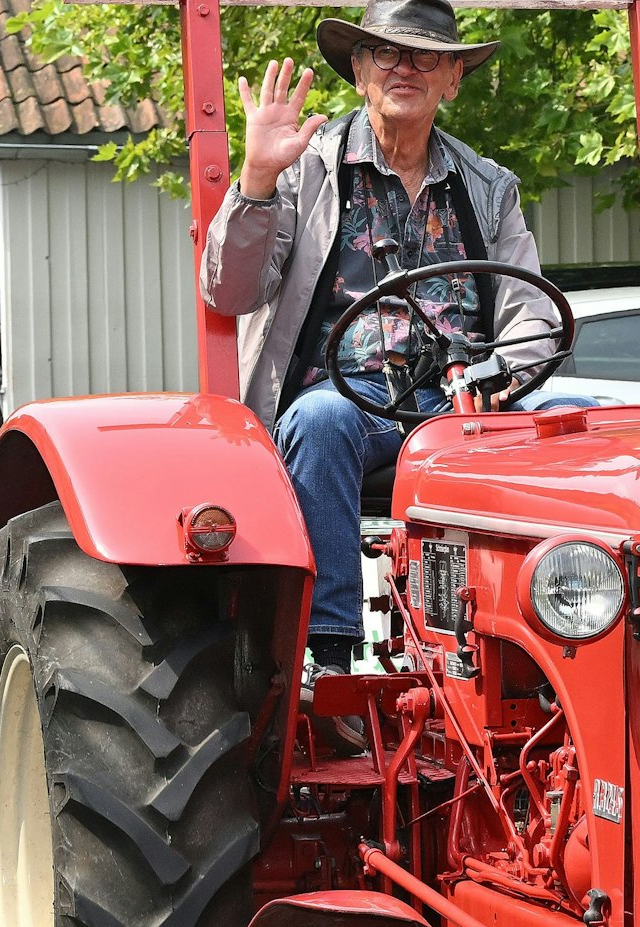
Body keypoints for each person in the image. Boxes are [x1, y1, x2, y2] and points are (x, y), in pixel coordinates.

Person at [201, 0, 592, 739]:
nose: (404, 67)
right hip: (350, 398)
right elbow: (229, 289)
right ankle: (331, 653)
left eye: (424, 57)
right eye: (386, 53)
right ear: (358, 71)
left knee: (584, 429)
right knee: (319, 422)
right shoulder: (306, 171)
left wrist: (501, 372)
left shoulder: (487, 187)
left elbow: (531, 314)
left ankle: (552, 649)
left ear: (453, 80)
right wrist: (254, 180)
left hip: (462, 404)